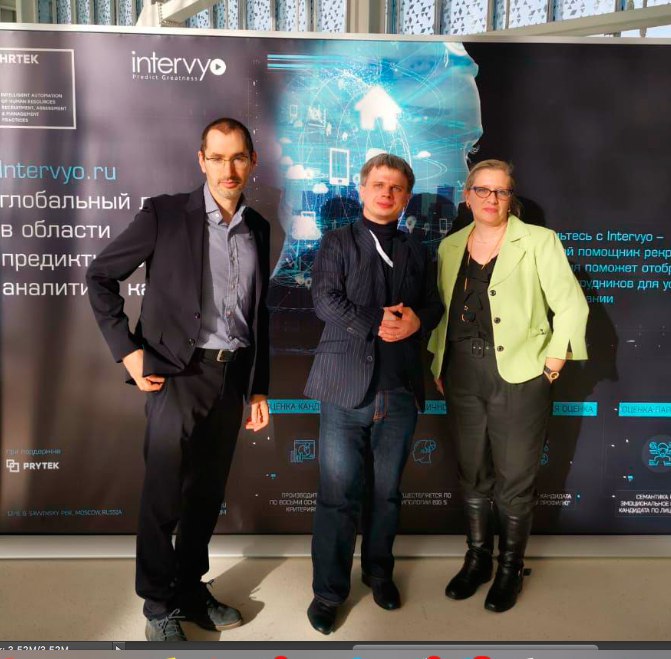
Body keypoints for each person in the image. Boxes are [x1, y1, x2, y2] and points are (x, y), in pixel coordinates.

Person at [85, 117, 271, 641]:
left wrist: (258, 386)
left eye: (238, 157)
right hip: (176, 376)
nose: (228, 169)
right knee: (164, 497)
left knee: (206, 497)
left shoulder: (258, 227)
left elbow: (259, 315)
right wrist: (129, 353)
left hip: (231, 377)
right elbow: (99, 277)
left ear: (252, 162)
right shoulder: (165, 214)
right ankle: (158, 606)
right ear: (201, 161)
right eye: (218, 157)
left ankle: (190, 588)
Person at [428, 159, 588, 613]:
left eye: (500, 191)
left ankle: (510, 568)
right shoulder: (450, 246)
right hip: (461, 374)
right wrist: (439, 359)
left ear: (510, 198)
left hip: (520, 376)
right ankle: (477, 559)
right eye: (482, 190)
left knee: (515, 480)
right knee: (473, 473)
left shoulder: (539, 241)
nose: (491, 199)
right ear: (467, 196)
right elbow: (442, 308)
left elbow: (571, 306)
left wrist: (551, 366)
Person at [304, 153, 443, 634]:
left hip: (399, 393)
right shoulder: (337, 242)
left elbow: (434, 305)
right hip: (344, 392)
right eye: (379, 184)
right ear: (362, 189)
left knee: (386, 497)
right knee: (337, 498)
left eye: (396, 187)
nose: (387, 193)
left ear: (406, 197)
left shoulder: (417, 250)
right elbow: (324, 300)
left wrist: (418, 320)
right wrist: (374, 321)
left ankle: (379, 575)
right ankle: (328, 593)